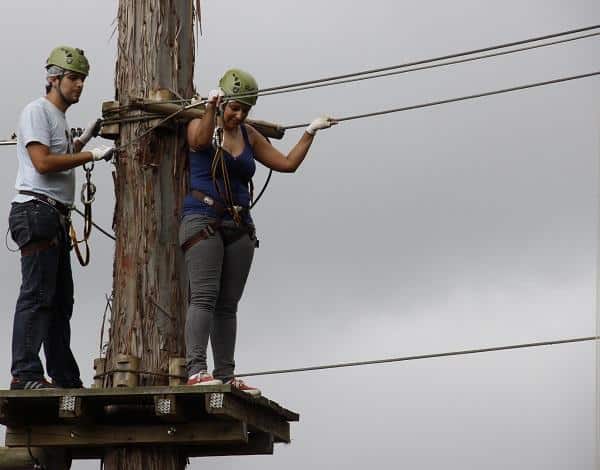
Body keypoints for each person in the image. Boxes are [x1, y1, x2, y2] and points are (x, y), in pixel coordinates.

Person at [180, 68, 335, 396]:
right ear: (223, 103)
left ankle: (225, 373)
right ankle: (196, 369)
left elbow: (287, 163)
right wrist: (209, 109)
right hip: (203, 219)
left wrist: (309, 132)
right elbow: (198, 141)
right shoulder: (202, 122)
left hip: (239, 225)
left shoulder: (249, 134)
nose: (239, 115)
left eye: (245, 110)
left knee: (228, 304)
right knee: (204, 296)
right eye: (234, 107)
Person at [8, 46, 114, 390]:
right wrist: (90, 155)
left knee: (60, 301)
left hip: (52, 214)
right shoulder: (37, 111)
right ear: (53, 79)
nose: (79, 84)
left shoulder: (59, 118)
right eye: (73, 78)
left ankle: (64, 377)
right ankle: (25, 374)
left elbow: (59, 153)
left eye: (82, 79)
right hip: (36, 210)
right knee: (38, 295)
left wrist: (85, 138)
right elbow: (42, 162)